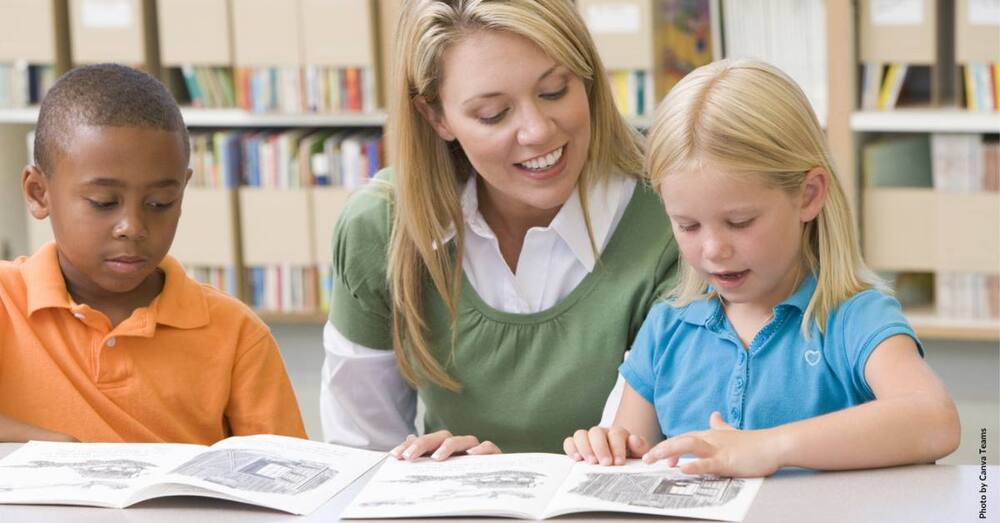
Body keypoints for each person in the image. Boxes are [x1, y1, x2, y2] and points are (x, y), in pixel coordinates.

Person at [563, 59, 961, 477]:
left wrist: (771, 447)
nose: (714, 249)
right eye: (688, 225)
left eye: (740, 222)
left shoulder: (852, 318)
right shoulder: (666, 328)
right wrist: (608, 444)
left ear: (808, 195)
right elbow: (631, 456)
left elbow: (935, 421)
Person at [320, 0, 679, 457]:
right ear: (436, 117)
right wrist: (424, 479)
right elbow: (359, 452)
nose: (536, 131)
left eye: (554, 91)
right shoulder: (381, 226)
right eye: (493, 114)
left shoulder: (676, 216)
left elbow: (654, 447)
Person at [0, 64, 307, 443]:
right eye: (103, 202)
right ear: (37, 192)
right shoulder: (5, 301)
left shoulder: (236, 335)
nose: (133, 226)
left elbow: (288, 478)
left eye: (160, 203)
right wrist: (43, 448)